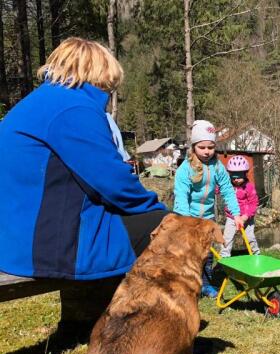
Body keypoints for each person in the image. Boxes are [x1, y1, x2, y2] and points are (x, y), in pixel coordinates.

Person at [0, 37, 167, 283]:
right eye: (109, 85)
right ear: (99, 74)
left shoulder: (38, 102)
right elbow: (113, 182)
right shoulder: (74, 108)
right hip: (51, 249)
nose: (109, 93)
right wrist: (157, 209)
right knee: (174, 228)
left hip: (15, 244)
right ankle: (157, 317)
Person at [173, 120, 243, 298]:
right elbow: (181, 197)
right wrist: (188, 222)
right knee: (190, 255)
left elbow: (227, 190)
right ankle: (187, 286)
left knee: (207, 254)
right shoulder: (185, 169)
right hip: (188, 219)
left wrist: (236, 214)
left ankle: (206, 284)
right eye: (202, 147)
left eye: (210, 147)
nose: (206, 151)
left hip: (208, 219)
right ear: (194, 146)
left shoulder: (217, 166)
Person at [220, 155, 260, 258]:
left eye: (239, 177)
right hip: (231, 217)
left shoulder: (249, 187)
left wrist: (246, 216)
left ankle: (256, 255)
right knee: (227, 238)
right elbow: (217, 190)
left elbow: (253, 203)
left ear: (245, 174)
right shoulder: (227, 185)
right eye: (233, 177)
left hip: (246, 218)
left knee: (249, 237)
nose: (236, 180)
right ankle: (224, 258)